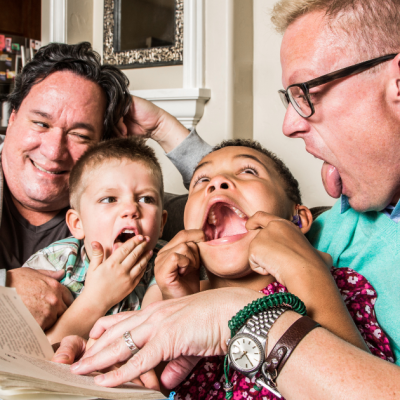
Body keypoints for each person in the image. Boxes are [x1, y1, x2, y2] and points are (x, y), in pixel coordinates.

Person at [53, 0, 400, 395]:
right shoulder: (349, 210)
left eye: (305, 92)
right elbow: (227, 185)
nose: (288, 124)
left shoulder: (324, 272)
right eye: (200, 182)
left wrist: (247, 310)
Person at [152, 139, 392, 399]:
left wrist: (304, 269)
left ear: (298, 219)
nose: (217, 182)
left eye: (248, 171)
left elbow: (359, 380)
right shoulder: (171, 295)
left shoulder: (341, 287)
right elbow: (161, 387)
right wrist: (176, 303)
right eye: (201, 180)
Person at [0, 41, 132, 330]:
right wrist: (4, 288)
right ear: (12, 119)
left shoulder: (122, 209)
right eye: (41, 124)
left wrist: (162, 128)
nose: (53, 151)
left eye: (79, 135)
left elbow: (220, 206)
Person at [22, 138, 168, 344]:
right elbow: (27, 352)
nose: (131, 209)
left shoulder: (166, 263)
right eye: (109, 199)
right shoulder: (52, 263)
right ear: (77, 223)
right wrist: (98, 298)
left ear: (161, 223)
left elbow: (155, 340)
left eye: (146, 199)